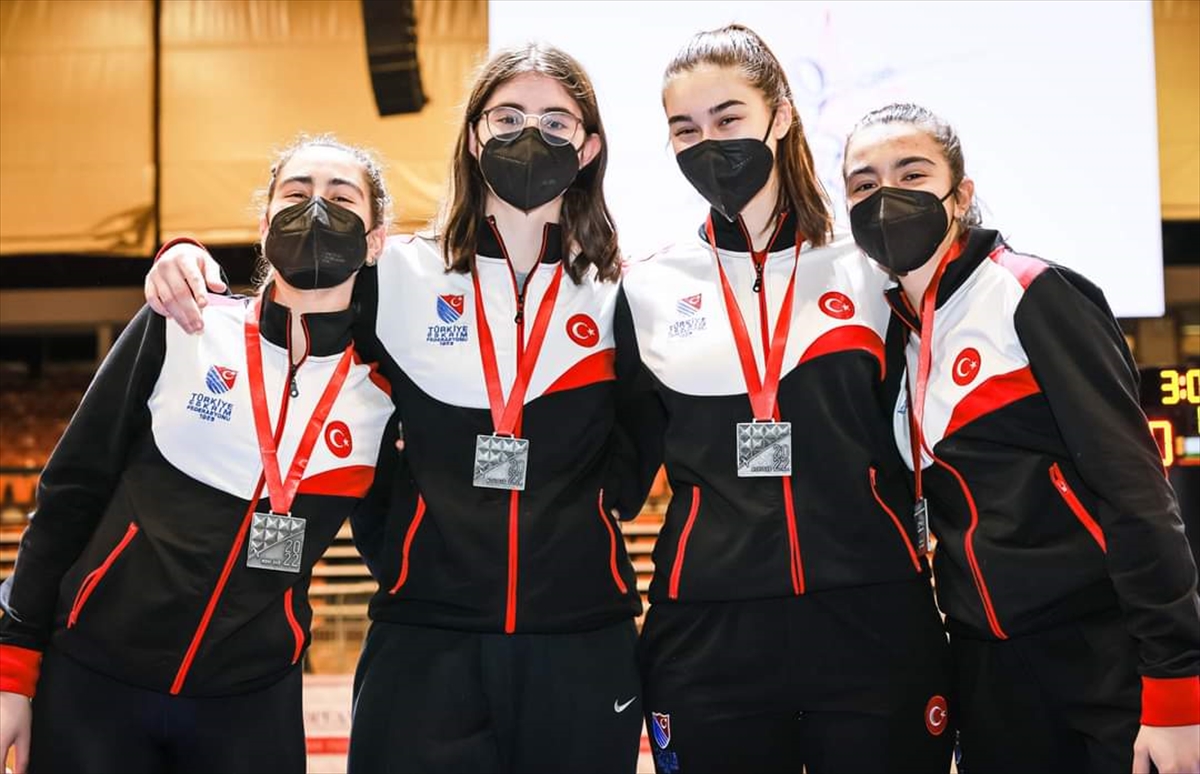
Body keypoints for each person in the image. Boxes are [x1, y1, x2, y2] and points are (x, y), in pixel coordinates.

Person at [143, 43, 645, 774]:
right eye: (507, 117)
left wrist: (590, 518)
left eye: (555, 121)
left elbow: (640, 438)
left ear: (589, 146)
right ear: (473, 137)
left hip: (582, 636)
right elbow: (286, 318)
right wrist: (183, 253)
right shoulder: (399, 274)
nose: (529, 135)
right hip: (424, 636)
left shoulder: (618, 290)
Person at [0, 135, 396, 773]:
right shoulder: (184, 323)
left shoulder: (383, 394)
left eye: (342, 198)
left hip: (251, 702)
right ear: (264, 226)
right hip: (94, 680)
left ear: (376, 241)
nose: (316, 209)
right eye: (296, 193)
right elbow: (71, 490)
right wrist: (12, 668)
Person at [617, 25, 953, 774]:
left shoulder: (868, 267)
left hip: (872, 614)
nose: (709, 142)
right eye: (685, 129)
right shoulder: (647, 287)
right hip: (709, 628)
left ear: (781, 115)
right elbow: (618, 464)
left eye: (728, 118)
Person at [842, 102, 1200, 774]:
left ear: (961, 195)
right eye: (864, 184)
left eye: (912, 174)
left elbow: (1137, 493)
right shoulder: (896, 336)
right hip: (990, 670)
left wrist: (1176, 682)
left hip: (1101, 651)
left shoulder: (1032, 292)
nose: (886, 197)